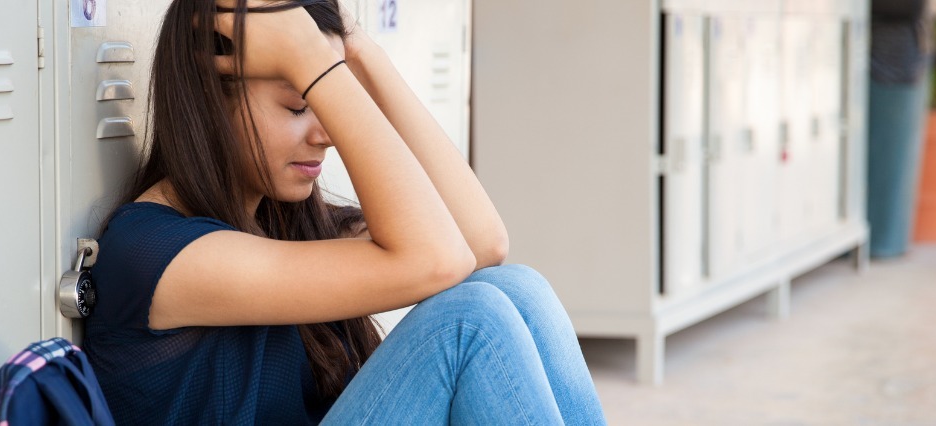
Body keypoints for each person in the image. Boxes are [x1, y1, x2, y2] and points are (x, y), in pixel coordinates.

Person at [82, 0, 606, 424]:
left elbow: (482, 245)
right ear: (210, 100)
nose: (326, 133)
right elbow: (438, 261)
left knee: (517, 287)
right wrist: (312, 62)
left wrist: (358, 50)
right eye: (297, 105)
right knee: (471, 323)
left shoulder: (284, 227)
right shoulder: (154, 253)